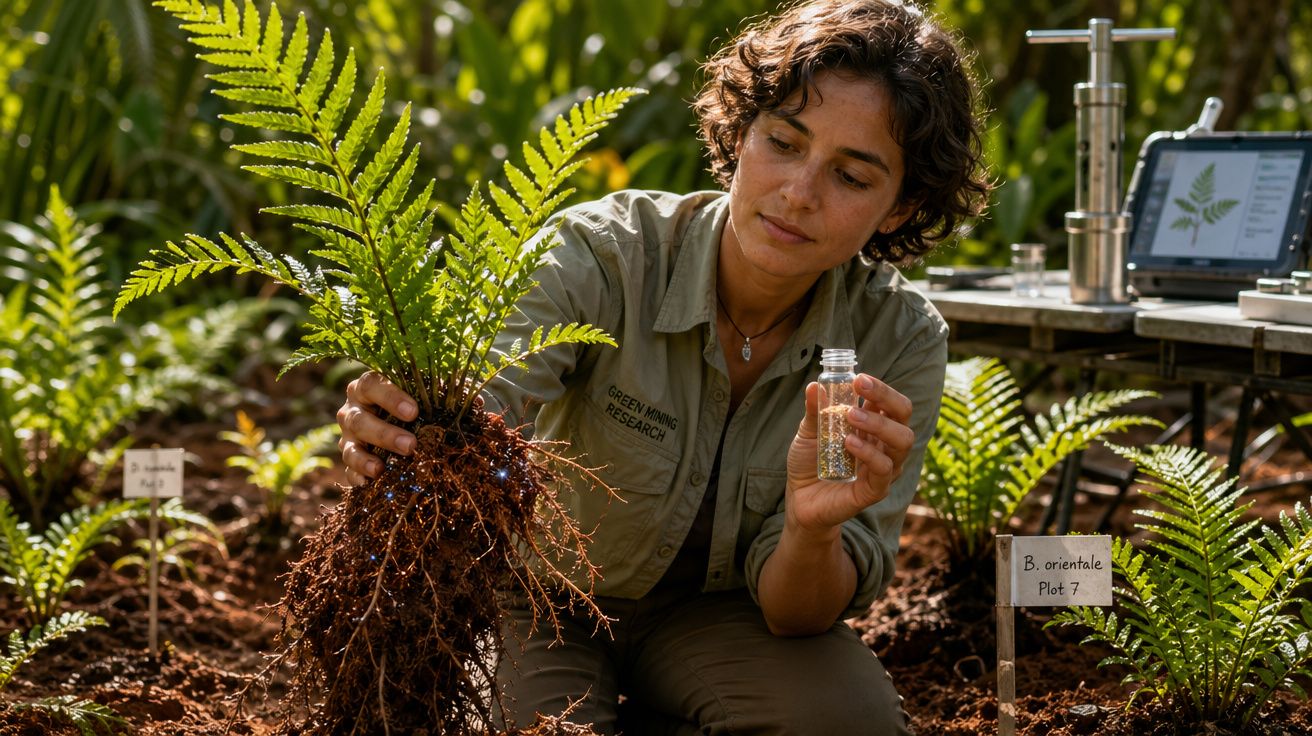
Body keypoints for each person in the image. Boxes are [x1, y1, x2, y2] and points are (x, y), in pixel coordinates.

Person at [337, 0, 989, 732]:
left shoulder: (895, 340)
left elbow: (796, 613)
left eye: (853, 177)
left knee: (845, 722)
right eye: (784, 141)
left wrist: (810, 526)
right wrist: (410, 420)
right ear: (741, 133)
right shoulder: (607, 256)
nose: (798, 193)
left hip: (727, 622)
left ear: (900, 207)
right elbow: (483, 399)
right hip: (539, 601)